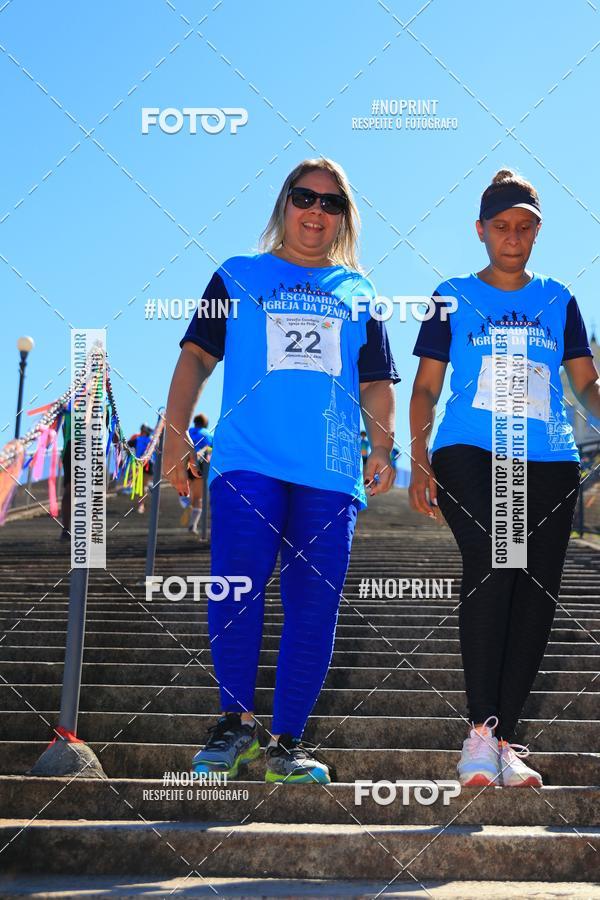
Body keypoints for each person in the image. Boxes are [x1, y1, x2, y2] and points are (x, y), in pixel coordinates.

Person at [164, 157, 399, 784]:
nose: (316, 212)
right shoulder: (236, 276)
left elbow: (377, 383)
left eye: (331, 204)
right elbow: (194, 359)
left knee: (313, 609)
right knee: (236, 593)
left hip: (328, 472)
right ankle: (233, 727)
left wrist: (383, 447)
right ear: (283, 205)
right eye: (304, 198)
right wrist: (173, 436)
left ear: (344, 218)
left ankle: (287, 743)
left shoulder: (361, 292)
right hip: (247, 462)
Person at [409, 168, 600, 788]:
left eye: (524, 226)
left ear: (537, 231)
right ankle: (479, 734)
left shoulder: (559, 300)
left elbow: (585, 384)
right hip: (472, 451)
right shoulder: (452, 294)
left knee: (535, 593)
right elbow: (427, 387)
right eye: (501, 226)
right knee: (496, 567)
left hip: (547, 458)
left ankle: (503, 737)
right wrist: (416, 456)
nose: (512, 237)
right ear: (481, 230)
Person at [185, 413, 213, 534]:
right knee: (198, 497)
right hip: (200, 465)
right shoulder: (208, 434)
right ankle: (193, 524)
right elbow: (211, 449)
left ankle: (185, 501)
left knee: (188, 492)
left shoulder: (189, 431)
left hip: (186, 462)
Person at [127, 424, 154, 513]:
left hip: (141, 464)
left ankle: (141, 505)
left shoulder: (137, 440)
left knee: (141, 486)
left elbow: (127, 445)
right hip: (147, 465)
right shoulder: (152, 441)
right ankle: (141, 504)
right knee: (142, 486)